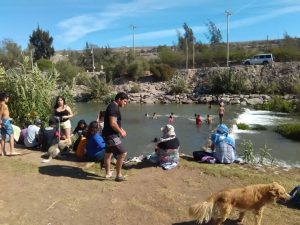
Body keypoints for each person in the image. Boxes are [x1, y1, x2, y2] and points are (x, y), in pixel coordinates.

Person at [102, 92, 129, 182]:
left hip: (107, 134)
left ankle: (108, 173)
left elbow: (115, 122)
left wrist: (121, 128)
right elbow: (113, 123)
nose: (125, 103)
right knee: (123, 153)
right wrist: (121, 131)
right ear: (119, 99)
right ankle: (118, 175)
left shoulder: (113, 106)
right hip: (111, 135)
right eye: (124, 101)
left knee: (108, 154)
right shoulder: (113, 107)